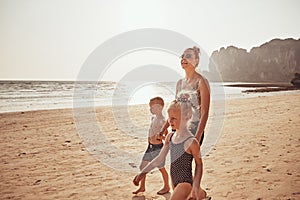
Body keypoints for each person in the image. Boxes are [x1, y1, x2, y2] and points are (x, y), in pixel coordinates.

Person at [158, 46, 210, 197]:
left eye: (188, 56)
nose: (183, 58)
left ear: (196, 60)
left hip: (194, 130)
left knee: (188, 166)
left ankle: (194, 192)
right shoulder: (179, 83)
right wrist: (165, 127)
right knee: (180, 167)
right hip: (178, 129)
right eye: (182, 56)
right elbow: (175, 109)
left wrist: (198, 135)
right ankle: (200, 193)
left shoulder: (202, 82)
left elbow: (205, 111)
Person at [133, 98, 207, 200]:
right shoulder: (170, 137)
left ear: (187, 116)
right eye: (169, 117)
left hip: (185, 182)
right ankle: (202, 194)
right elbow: (160, 158)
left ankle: (198, 191)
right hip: (174, 181)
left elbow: (199, 164)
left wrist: (195, 185)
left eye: (174, 118)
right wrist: (143, 172)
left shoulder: (191, 142)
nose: (170, 121)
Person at [132, 97, 170, 195]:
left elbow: (166, 137)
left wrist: (161, 137)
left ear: (160, 108)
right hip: (150, 147)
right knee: (142, 166)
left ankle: (167, 186)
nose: (150, 109)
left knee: (161, 168)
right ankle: (142, 187)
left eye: (152, 107)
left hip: (158, 148)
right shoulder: (153, 118)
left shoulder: (162, 121)